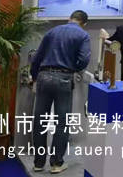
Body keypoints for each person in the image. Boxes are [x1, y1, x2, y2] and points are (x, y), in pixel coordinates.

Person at [30, 10, 91, 174]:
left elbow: (37, 57)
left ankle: (38, 163)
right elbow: (84, 59)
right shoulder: (83, 35)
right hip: (64, 78)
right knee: (62, 123)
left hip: (43, 77)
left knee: (40, 121)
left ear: (69, 18)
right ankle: (56, 163)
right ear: (84, 24)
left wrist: (34, 78)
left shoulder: (52, 31)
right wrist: (73, 68)